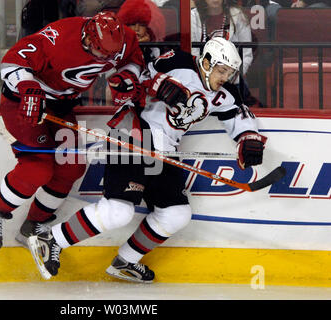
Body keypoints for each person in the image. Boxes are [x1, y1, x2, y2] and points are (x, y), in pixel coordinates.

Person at [28, 38, 267, 282]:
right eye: (222, 70)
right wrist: (157, 84)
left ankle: (125, 262)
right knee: (118, 211)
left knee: (176, 214)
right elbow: (134, 77)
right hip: (133, 132)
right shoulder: (178, 61)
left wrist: (248, 138)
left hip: (165, 149)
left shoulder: (225, 93)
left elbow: (239, 115)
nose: (225, 77)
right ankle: (50, 240)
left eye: (230, 72)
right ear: (206, 62)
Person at [0, 11, 145, 254]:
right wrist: (27, 86)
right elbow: (12, 60)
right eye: (101, 53)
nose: (106, 59)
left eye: (111, 55)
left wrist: (128, 76)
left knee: (71, 166)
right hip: (24, 105)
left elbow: (134, 58)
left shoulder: (122, 39)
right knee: (38, 167)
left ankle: (34, 224)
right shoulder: (58, 37)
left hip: (61, 106)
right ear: (88, 39)